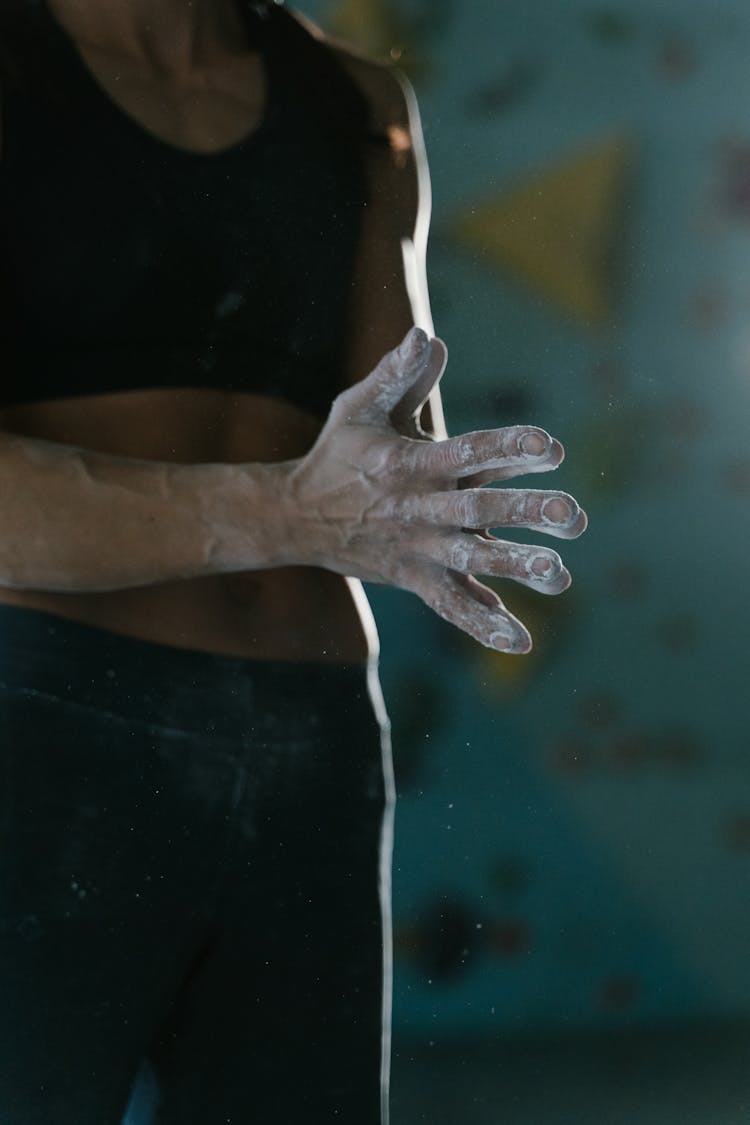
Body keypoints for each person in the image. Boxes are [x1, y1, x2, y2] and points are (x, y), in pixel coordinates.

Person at [0, 0, 587, 1122]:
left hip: (310, 742)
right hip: (46, 726)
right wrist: (287, 513)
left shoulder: (363, 104)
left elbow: (384, 453)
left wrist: (438, 501)